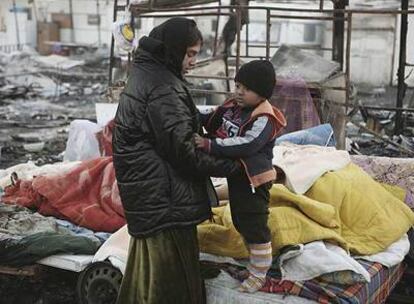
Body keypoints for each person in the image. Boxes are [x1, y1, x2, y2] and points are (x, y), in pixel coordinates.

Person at [112, 18, 240, 304]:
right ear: (172, 50)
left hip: (152, 193)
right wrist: (237, 167)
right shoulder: (162, 86)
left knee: (149, 276)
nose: (194, 61)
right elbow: (185, 152)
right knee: (170, 281)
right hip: (164, 198)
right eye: (190, 53)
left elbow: (176, 126)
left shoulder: (150, 71)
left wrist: (209, 119)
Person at [194, 60, 287, 292]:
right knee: (240, 221)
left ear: (263, 93)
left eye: (247, 89)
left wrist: (210, 145)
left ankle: (258, 275)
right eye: (237, 86)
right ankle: (257, 264)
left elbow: (247, 144)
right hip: (238, 177)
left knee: (254, 225)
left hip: (255, 181)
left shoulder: (265, 117)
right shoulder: (231, 108)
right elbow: (212, 119)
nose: (239, 92)